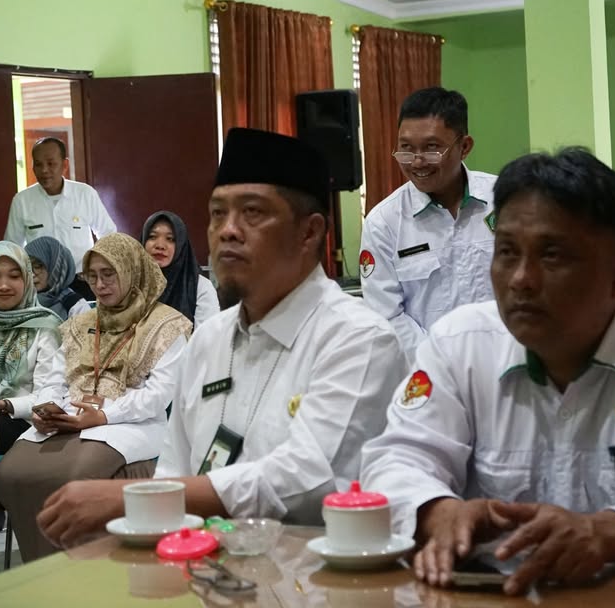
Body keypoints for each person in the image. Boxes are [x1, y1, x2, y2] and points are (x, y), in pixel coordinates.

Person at [360, 148, 615, 596]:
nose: (520, 279)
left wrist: (611, 533)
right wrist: (437, 510)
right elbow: (394, 459)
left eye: (551, 256)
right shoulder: (460, 343)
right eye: (506, 252)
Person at [37, 128, 406, 548]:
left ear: (309, 232)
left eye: (252, 212)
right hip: (204, 567)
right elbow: (174, 468)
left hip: (315, 570)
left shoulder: (357, 338)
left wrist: (132, 496)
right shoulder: (209, 339)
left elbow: (306, 478)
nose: (227, 230)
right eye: (217, 214)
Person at [0, 232, 191, 562]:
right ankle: (44, 571)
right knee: (10, 472)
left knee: (75, 475)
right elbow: (57, 381)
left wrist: (103, 415)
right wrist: (48, 409)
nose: (99, 285)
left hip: (131, 423)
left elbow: (158, 396)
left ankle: (84, 570)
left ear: (131, 270)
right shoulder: (80, 324)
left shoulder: (166, 325)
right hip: (71, 417)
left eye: (109, 274)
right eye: (93, 276)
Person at [360, 87, 498, 356]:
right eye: (406, 149)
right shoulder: (384, 223)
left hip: (508, 363)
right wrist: (444, 361)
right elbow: (387, 316)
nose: (417, 162)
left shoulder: (504, 200)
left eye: (432, 148)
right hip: (429, 371)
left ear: (464, 146)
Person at [0, 241, 65, 454]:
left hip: (28, 422)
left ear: (27, 279)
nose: (4, 286)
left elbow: (48, 393)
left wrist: (5, 405)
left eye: (14, 276)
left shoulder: (45, 327)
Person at [4, 137, 116, 299]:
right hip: (41, 285)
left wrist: (96, 268)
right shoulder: (22, 201)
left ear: (64, 165)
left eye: (51, 163)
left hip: (82, 281)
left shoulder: (85, 194)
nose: (44, 170)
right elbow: (12, 246)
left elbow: (108, 234)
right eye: (38, 164)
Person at [141, 210, 220, 328]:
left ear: (181, 245)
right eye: (152, 237)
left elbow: (208, 336)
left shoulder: (200, 287)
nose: (160, 245)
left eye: (170, 239)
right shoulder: (132, 283)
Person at [24, 235, 91, 320]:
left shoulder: (75, 306)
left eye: (37, 266)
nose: (32, 274)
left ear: (56, 268)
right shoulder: (21, 301)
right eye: (28, 267)